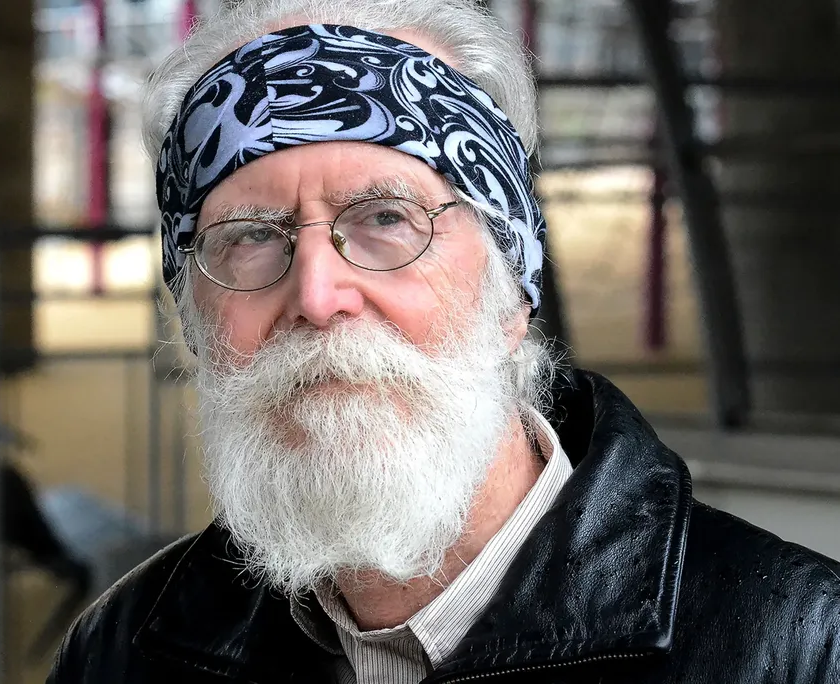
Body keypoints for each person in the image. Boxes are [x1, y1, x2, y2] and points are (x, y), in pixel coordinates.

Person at [47, 1, 840, 682]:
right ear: (192, 318)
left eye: (387, 220)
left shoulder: (794, 646)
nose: (319, 297)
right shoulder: (127, 651)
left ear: (512, 290)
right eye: (251, 236)